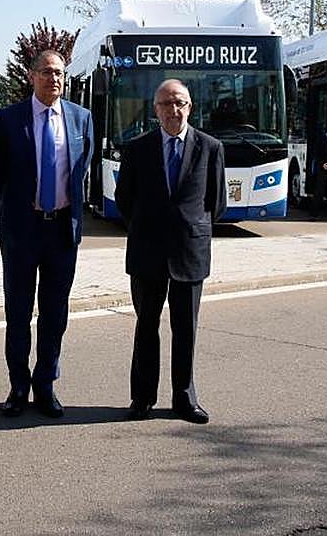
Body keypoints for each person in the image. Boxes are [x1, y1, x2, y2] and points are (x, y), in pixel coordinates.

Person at [0, 50, 93, 418]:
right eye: (46, 72)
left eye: (59, 72)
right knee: (18, 311)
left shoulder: (82, 119)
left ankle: (45, 385)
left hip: (62, 230)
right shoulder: (8, 119)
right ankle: (18, 386)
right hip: (22, 230)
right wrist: (22, 204)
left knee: (54, 314)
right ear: (32, 76)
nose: (54, 78)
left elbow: (80, 171)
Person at [116, 79, 225, 424]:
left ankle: (184, 398)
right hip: (147, 253)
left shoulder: (210, 148)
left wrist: (187, 228)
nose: (173, 110)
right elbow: (124, 200)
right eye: (166, 104)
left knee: (186, 329)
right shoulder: (136, 149)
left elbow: (216, 203)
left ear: (190, 107)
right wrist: (150, 227)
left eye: (179, 103)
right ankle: (142, 397)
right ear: (155, 110)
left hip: (189, 252)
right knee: (146, 326)